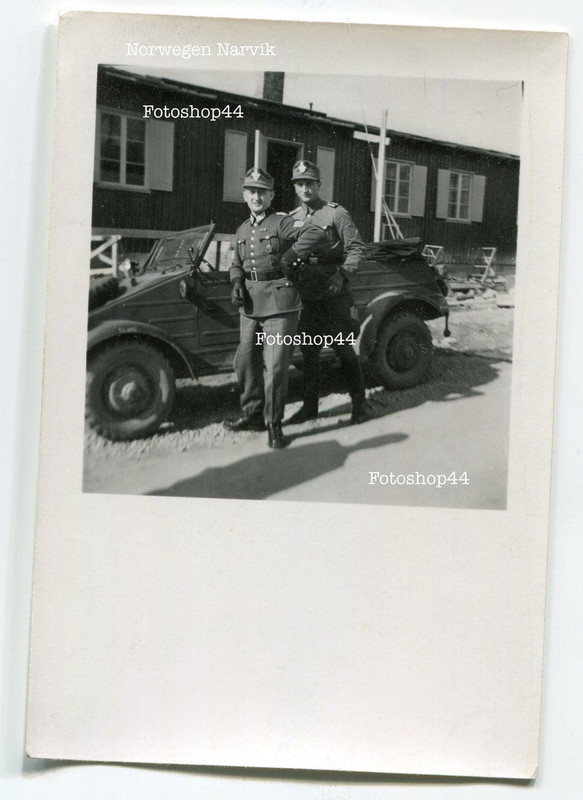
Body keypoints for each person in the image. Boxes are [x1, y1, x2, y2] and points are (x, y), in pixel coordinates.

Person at [224, 167, 326, 449]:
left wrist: (291, 256)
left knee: (276, 367)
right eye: (251, 191)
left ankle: (273, 423)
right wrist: (236, 282)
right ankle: (253, 413)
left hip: (280, 305)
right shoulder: (242, 229)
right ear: (244, 195)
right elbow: (236, 263)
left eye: (262, 192)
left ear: (271, 196)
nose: (256, 197)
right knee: (244, 361)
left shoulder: (281, 222)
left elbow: (315, 233)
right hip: (250, 304)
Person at [285, 160, 373, 425]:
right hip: (307, 295)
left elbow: (357, 248)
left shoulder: (336, 214)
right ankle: (310, 406)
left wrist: (342, 274)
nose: (305, 189)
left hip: (334, 292)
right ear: (295, 188)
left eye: (309, 183)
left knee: (343, 349)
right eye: (300, 184)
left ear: (318, 185)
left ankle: (360, 405)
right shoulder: (291, 219)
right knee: (309, 353)